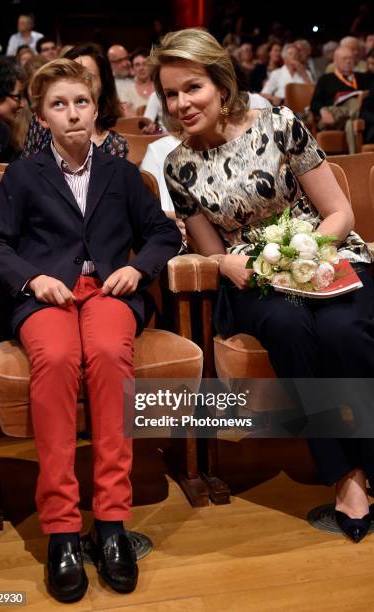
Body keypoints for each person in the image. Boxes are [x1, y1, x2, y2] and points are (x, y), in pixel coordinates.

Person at [149, 28, 374, 544]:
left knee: (345, 333)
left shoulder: (278, 124)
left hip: (326, 254)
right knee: (291, 327)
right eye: (170, 93)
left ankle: (367, 456)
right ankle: (345, 474)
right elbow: (210, 247)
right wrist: (225, 262)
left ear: (220, 85)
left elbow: (339, 211)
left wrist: (303, 254)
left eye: (192, 88)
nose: (181, 103)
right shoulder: (178, 165)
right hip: (256, 280)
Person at [0, 58, 181, 603]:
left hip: (109, 291)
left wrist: (140, 268)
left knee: (111, 355)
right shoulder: (22, 173)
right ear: (41, 116)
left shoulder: (121, 171)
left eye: (81, 102)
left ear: (95, 108)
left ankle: (111, 524)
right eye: (58, 105)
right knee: (59, 360)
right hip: (47, 295)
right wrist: (32, 278)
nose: (72, 114)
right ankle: (62, 529)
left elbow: (162, 232)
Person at [22, 43, 128, 159]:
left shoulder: (116, 144)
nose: (79, 83)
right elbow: (27, 170)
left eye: (88, 77)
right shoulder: (42, 124)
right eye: (70, 76)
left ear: (104, 84)